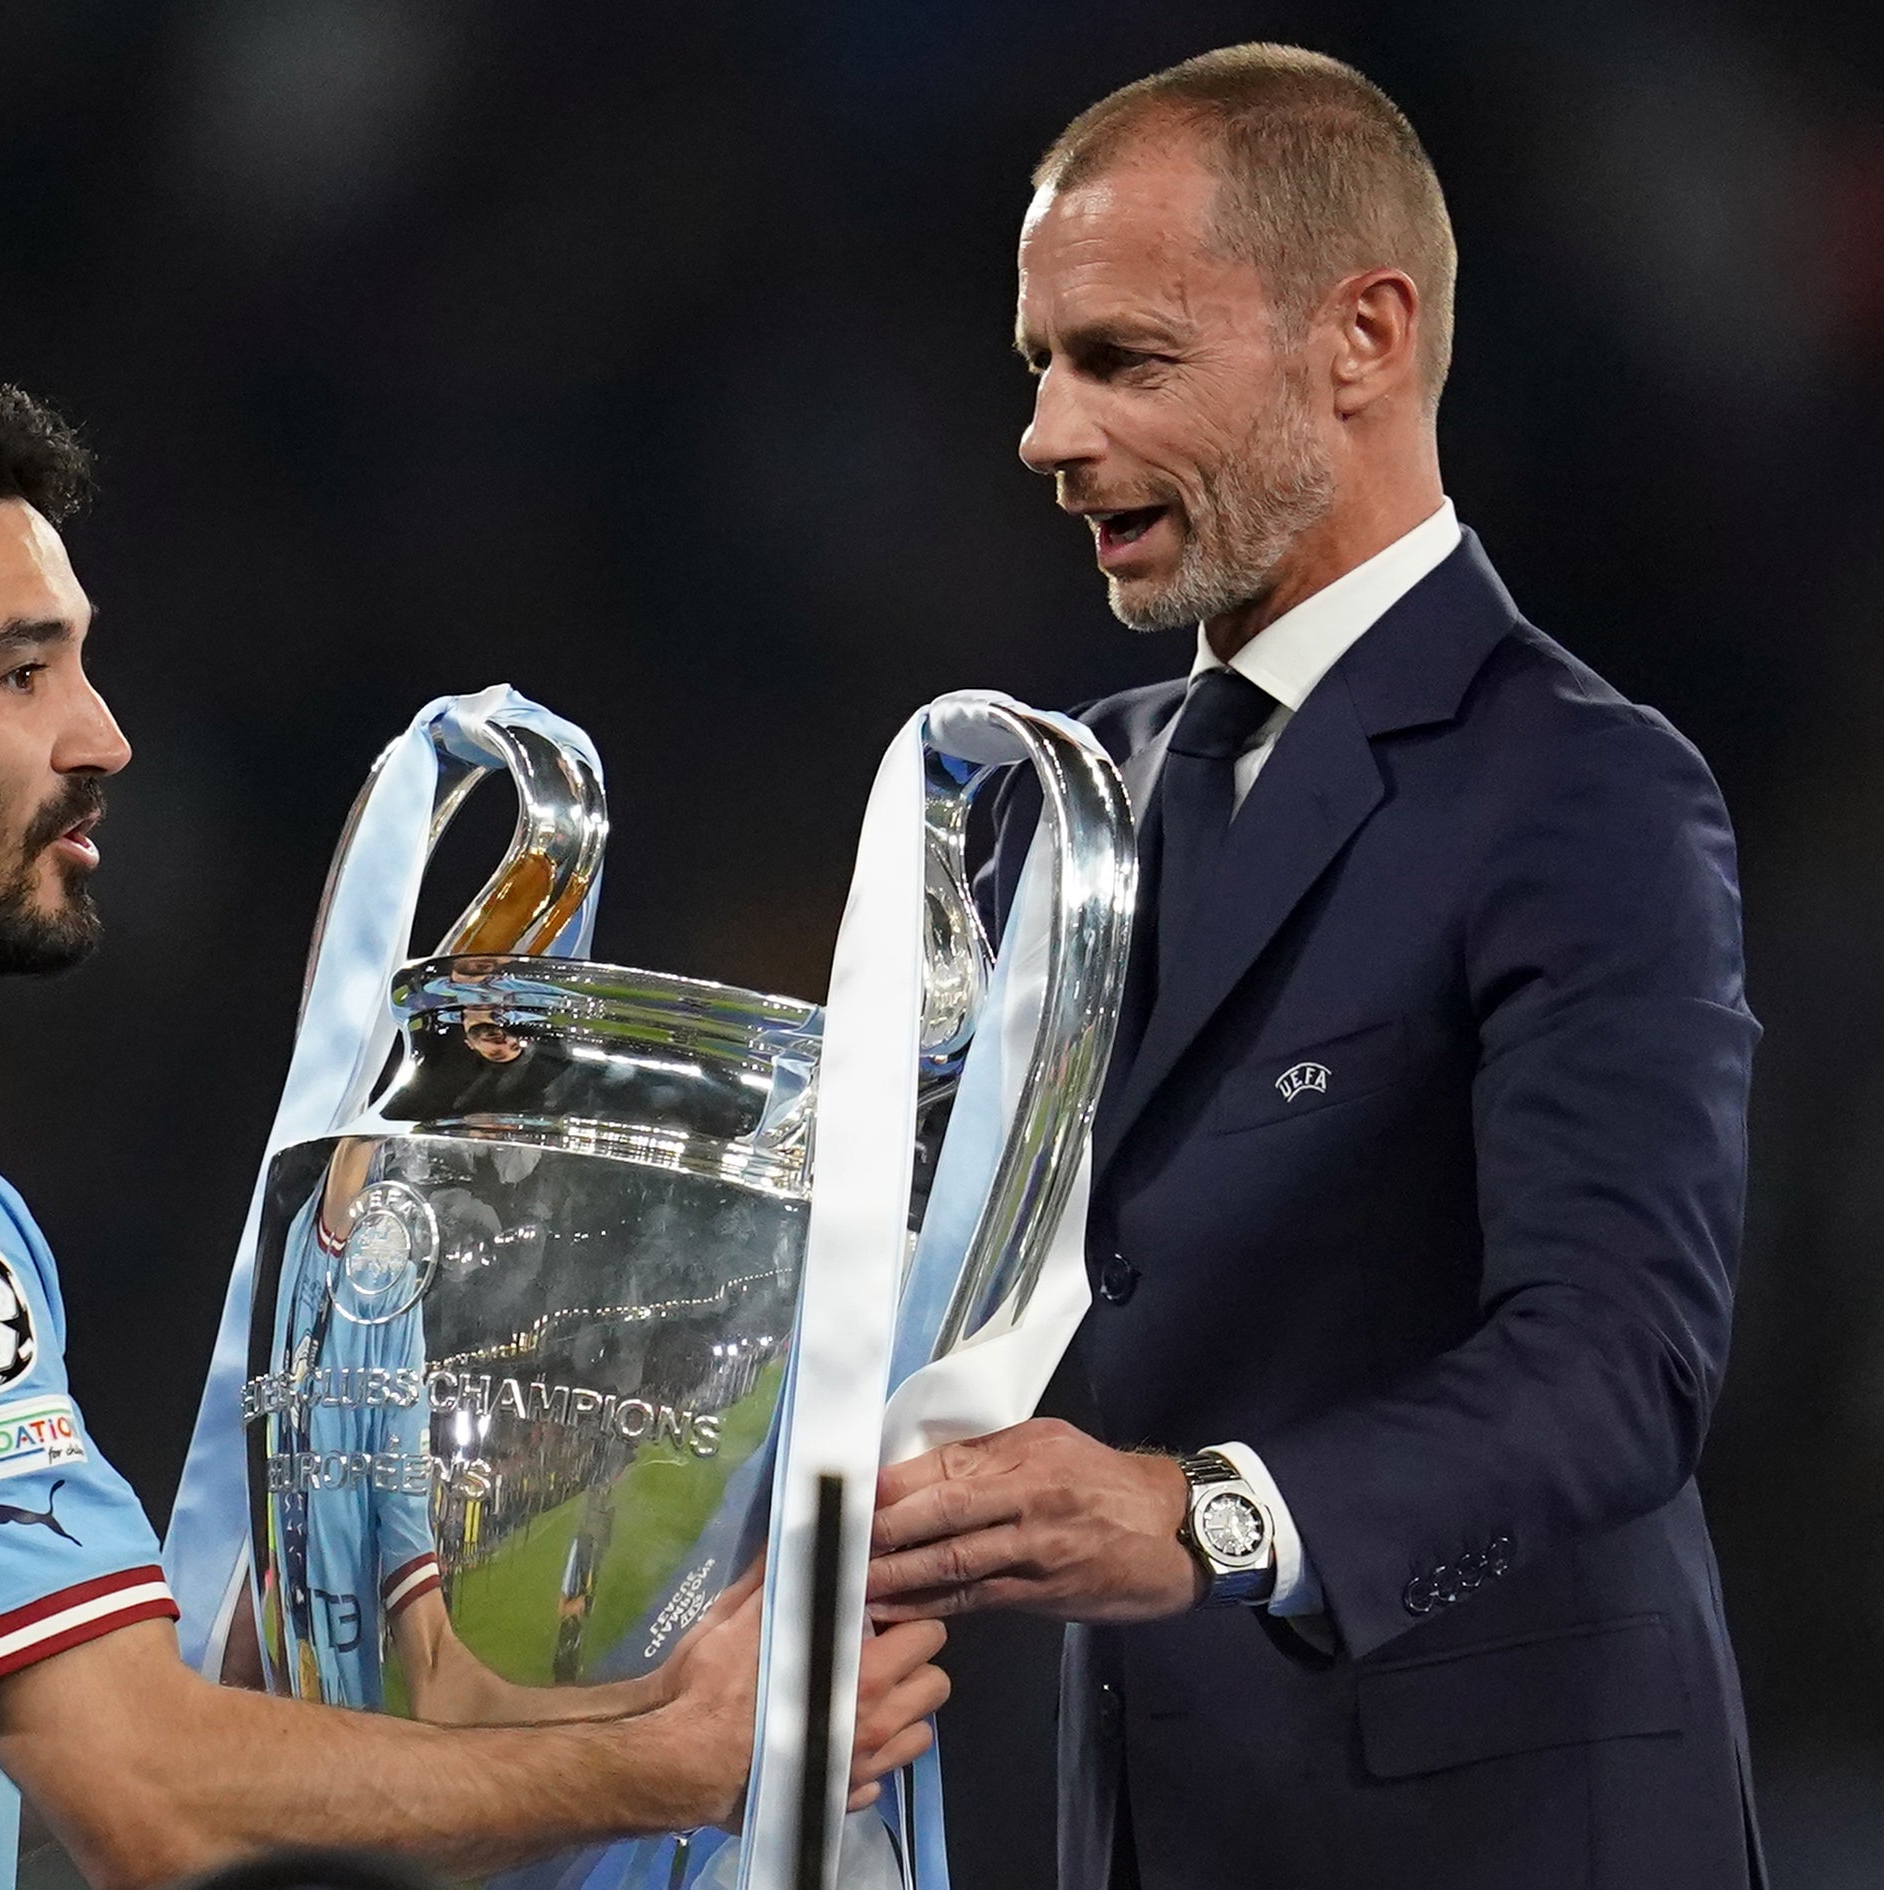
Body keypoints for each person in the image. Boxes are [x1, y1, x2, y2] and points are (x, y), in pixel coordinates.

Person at [0, 368, 949, 1890]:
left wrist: (573, 1712)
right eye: (19, 671)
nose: (100, 734)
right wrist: (669, 1764)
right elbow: (144, 1806)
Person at [860, 46, 1762, 1890]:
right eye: (1037, 365)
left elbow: (1619, 1360)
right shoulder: (1062, 800)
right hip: (1145, 1835)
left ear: (1358, 338)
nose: (1043, 432)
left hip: (1513, 1837)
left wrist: (1207, 1509)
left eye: (1118, 360)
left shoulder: (1580, 790)